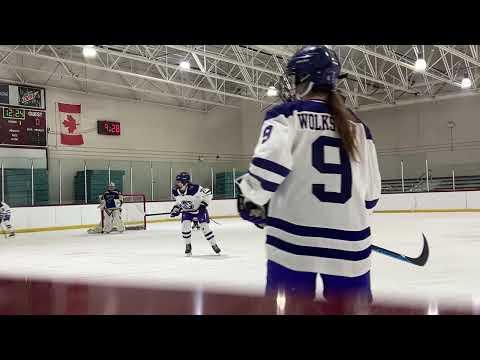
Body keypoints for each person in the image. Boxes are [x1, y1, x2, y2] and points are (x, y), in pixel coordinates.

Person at [236, 45, 381, 305]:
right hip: (351, 249)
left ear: (306, 79)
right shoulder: (360, 128)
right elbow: (370, 199)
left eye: (294, 78)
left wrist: (250, 201)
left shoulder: (285, 116)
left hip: (293, 246)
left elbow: (262, 181)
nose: (291, 85)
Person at [170, 172, 220, 256]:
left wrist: (204, 203)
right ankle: (188, 245)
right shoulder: (175, 191)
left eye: (179, 181)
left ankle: (213, 244)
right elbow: (178, 201)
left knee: (205, 228)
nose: (177, 183)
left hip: (199, 210)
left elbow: (208, 193)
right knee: (185, 228)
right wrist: (176, 208)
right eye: (177, 181)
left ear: (185, 183)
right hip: (187, 211)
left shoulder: (195, 188)